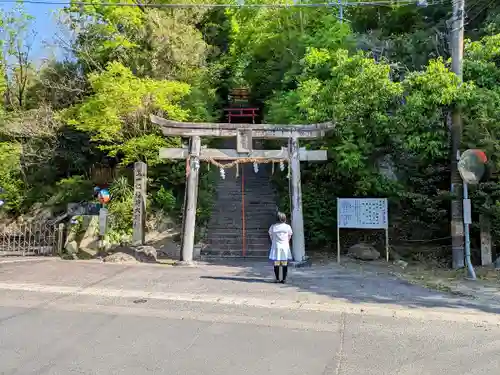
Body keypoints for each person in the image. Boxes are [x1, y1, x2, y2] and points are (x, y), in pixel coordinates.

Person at [268, 212, 293, 283]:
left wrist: (274, 241)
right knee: (284, 263)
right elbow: (289, 236)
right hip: (285, 247)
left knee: (276, 263)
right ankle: (284, 279)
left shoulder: (273, 227)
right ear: (284, 218)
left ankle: (277, 279)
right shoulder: (287, 227)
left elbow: (271, 236)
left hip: (276, 246)